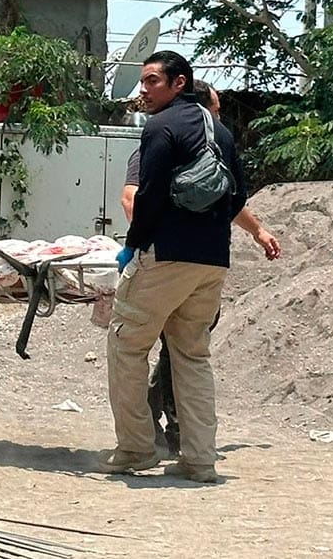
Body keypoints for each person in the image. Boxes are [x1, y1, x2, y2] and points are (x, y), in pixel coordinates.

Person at [99, 51, 247, 483]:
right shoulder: (220, 131)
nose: (143, 90)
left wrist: (134, 245)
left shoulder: (161, 127)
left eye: (151, 82)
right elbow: (237, 197)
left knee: (126, 345)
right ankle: (200, 460)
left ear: (179, 83)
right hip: (213, 260)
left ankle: (135, 449)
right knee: (192, 355)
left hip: (166, 256)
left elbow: (149, 197)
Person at [120, 79, 281, 457]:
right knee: (176, 351)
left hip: (189, 263)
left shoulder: (205, 148)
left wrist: (258, 231)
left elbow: (228, 199)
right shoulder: (163, 143)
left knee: (172, 350)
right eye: (215, 111)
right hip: (175, 261)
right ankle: (173, 441)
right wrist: (143, 243)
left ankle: (155, 439)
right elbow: (133, 198)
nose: (217, 121)